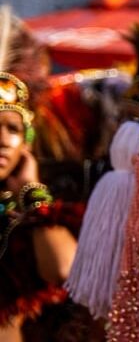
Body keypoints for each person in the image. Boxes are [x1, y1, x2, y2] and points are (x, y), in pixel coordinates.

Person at [0, 71, 82, 342]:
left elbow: (63, 269)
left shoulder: (24, 219)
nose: (3, 140)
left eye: (13, 128)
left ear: (26, 143)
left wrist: (33, 194)